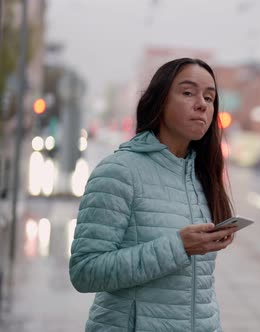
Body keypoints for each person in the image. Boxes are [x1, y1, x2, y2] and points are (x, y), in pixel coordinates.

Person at [69, 58, 238, 332]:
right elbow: (85, 272)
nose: (202, 104)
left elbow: (198, 291)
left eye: (209, 97)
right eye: (187, 93)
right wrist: (179, 247)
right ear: (159, 102)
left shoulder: (201, 176)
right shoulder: (119, 171)